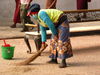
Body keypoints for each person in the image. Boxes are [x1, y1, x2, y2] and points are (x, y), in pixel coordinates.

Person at [27, 3, 73, 68]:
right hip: (56, 24)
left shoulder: (41, 14)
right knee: (53, 41)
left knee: (62, 41)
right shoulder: (38, 19)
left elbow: (50, 25)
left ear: (35, 13)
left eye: (31, 15)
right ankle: (53, 59)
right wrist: (43, 42)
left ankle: (63, 61)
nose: (32, 16)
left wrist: (55, 34)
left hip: (62, 21)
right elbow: (43, 31)